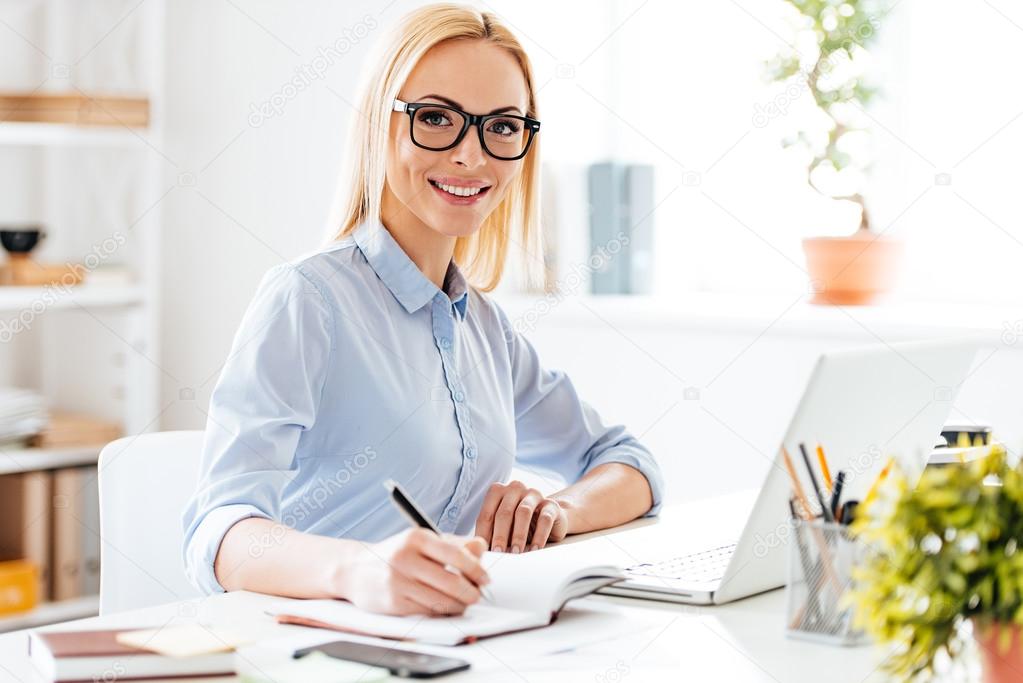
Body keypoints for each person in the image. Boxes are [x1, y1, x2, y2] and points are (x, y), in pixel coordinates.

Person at [182, 2, 664, 617]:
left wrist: (558, 511)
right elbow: (219, 532)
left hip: (458, 645)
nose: (472, 155)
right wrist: (360, 569)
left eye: (503, 126)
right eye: (436, 118)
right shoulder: (308, 301)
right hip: (323, 644)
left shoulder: (485, 329)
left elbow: (631, 466)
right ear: (379, 126)